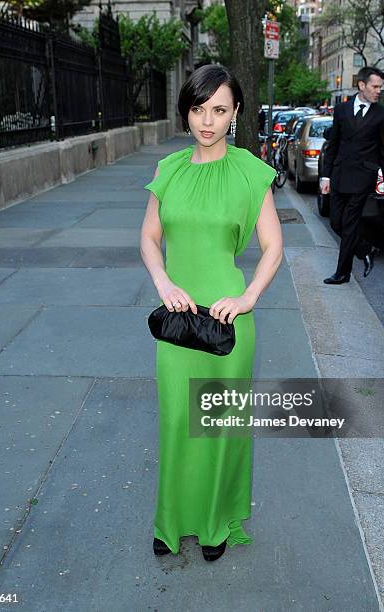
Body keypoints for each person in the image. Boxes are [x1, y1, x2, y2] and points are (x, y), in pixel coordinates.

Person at [140, 64, 283, 562]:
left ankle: (217, 523)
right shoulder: (169, 171)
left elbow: (272, 248)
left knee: (220, 425)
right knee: (177, 419)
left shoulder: (249, 170)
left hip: (226, 321)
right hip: (178, 321)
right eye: (198, 109)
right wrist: (162, 281)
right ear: (186, 112)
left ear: (235, 113)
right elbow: (149, 239)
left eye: (219, 110)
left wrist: (247, 300)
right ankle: (172, 519)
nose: (207, 120)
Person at [320, 66, 384, 284]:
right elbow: (333, 145)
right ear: (362, 85)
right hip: (340, 174)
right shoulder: (342, 110)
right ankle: (365, 249)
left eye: (381, 87)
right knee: (336, 223)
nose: (378, 91)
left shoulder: (383, 114)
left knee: (350, 224)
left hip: (363, 177)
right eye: (375, 86)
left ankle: (342, 273)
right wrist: (326, 177)